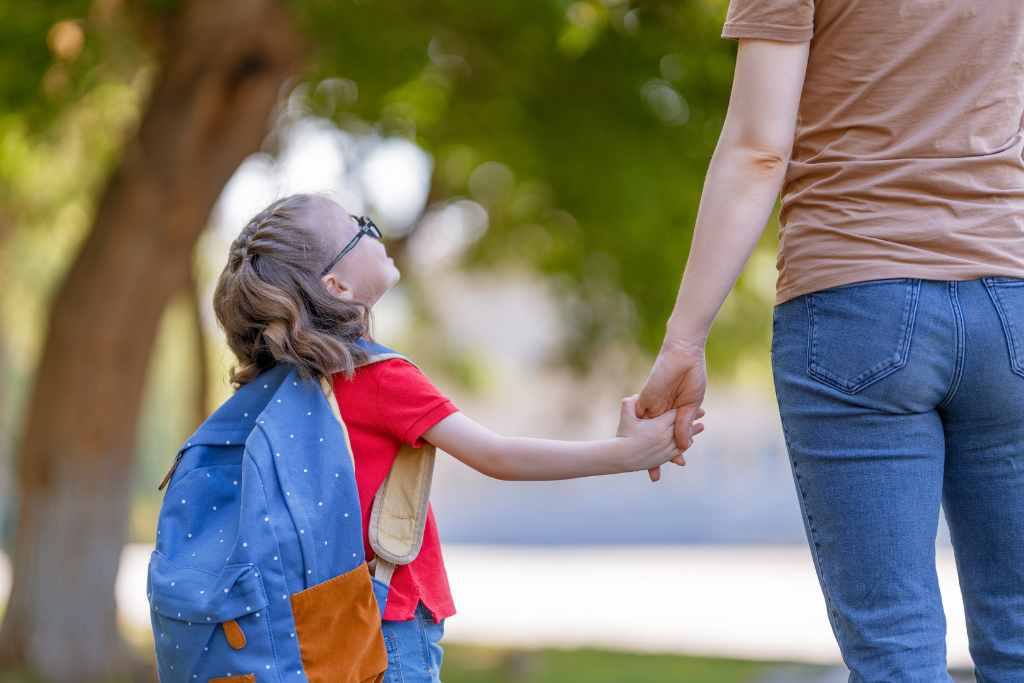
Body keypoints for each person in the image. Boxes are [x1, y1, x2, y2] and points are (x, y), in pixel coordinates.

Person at [636, 1, 1024, 681]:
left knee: (894, 645)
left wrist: (683, 342)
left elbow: (759, 149)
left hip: (854, 300)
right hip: (1011, 300)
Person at [212, 192, 704, 683]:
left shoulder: (275, 387)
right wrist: (625, 454)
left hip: (319, 626)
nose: (374, 230)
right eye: (358, 228)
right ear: (337, 285)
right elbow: (497, 455)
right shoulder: (377, 377)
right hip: (389, 627)